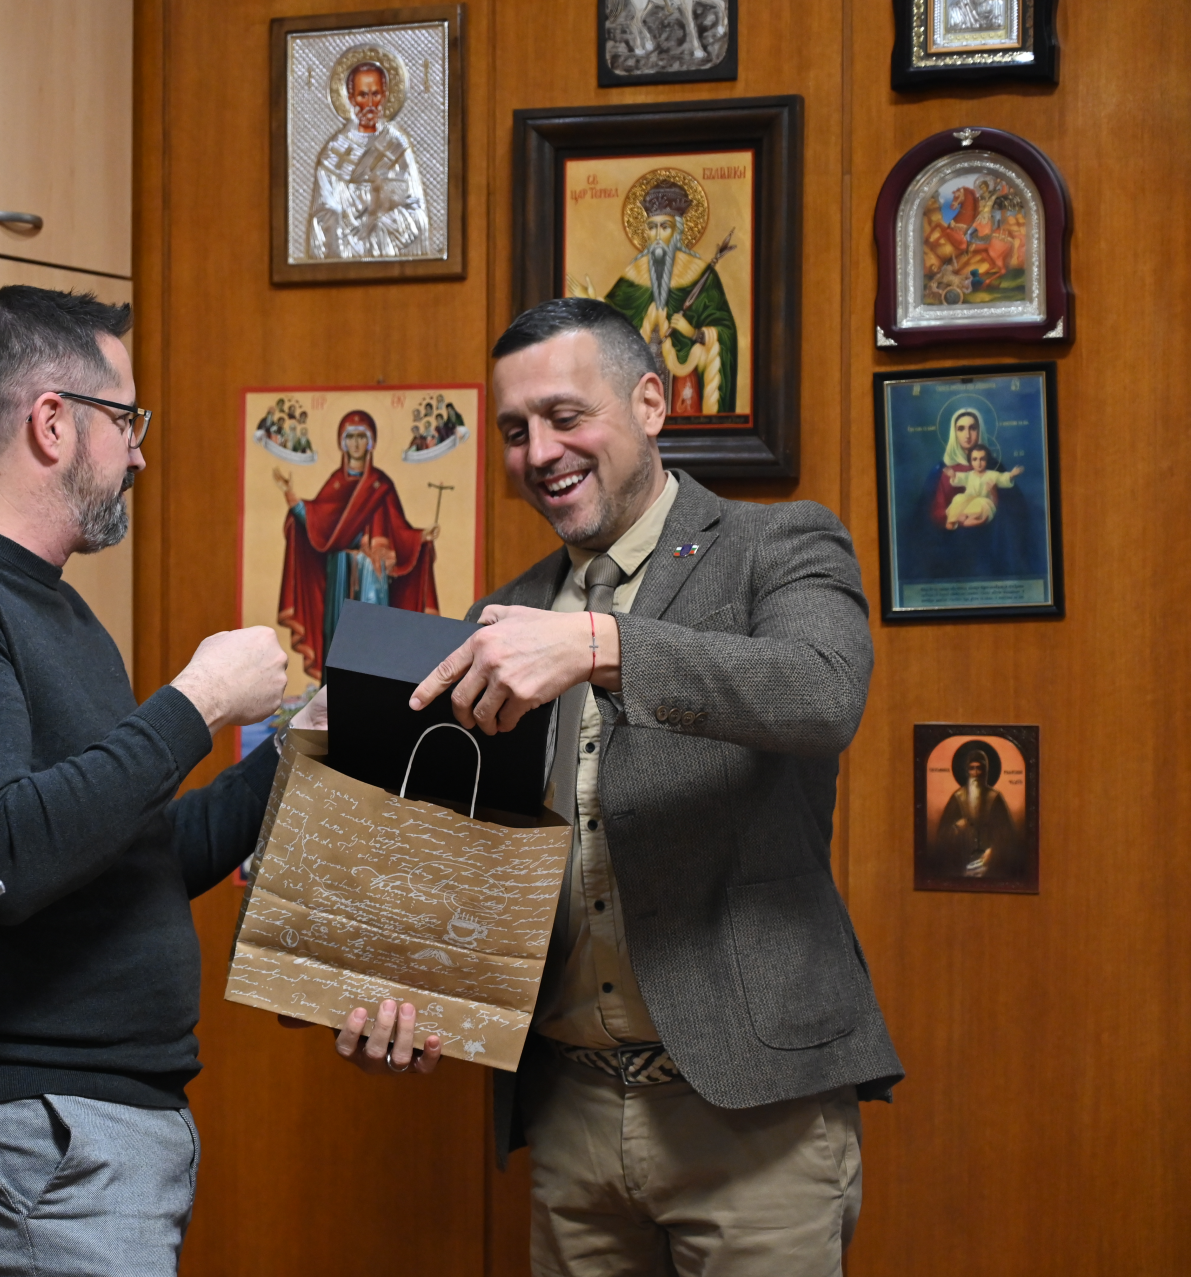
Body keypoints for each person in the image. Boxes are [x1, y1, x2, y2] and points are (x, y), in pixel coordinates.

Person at [303, 297, 903, 1276]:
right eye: (515, 430)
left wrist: (600, 644)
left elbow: (822, 691)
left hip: (756, 1118)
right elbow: (458, 862)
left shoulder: (780, 545)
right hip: (572, 1116)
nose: (540, 451)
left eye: (565, 415)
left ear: (651, 404)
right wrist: (397, 997)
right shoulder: (500, 616)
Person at [0, 285, 288, 1277]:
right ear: (53, 423)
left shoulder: (61, 610)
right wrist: (199, 702)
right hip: (39, 1121)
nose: (137, 454)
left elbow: (137, 858)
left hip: (90, 1123)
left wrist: (296, 753)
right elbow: (6, 852)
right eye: (126, 420)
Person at [273, 410, 441, 679]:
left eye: (361, 437)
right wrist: (290, 496)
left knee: (375, 632)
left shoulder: (381, 485)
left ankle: (375, 692)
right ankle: (337, 694)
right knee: (339, 633)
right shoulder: (335, 484)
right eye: (350, 437)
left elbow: (398, 530)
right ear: (342, 442)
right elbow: (317, 526)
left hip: (372, 572)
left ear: (370, 442)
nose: (355, 443)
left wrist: (421, 536)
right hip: (340, 569)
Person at [577, 179, 739, 416]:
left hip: (684, 383)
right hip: (639, 384)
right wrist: (594, 303)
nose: (658, 235)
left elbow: (725, 331)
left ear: (678, 231)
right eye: (652, 227)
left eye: (665, 227)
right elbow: (616, 318)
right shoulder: (635, 273)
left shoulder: (701, 275)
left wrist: (693, 333)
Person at [306, 59, 429, 260]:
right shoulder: (334, 152)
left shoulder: (396, 146)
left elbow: (416, 209)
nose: (370, 104)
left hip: (389, 249)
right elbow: (322, 215)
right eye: (363, 95)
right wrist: (348, 216)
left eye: (376, 94)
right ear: (351, 99)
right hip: (345, 252)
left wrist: (382, 215)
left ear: (385, 96)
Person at [933, 742, 1019, 878]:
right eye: (972, 768)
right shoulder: (957, 798)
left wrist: (993, 851)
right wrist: (956, 828)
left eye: (979, 768)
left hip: (990, 862)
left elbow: (1007, 835)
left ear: (986, 771)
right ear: (967, 771)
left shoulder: (995, 798)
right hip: (962, 860)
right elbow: (942, 836)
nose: (976, 773)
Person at [944, 443, 1022, 528]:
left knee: (982, 504)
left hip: (984, 503)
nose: (979, 463)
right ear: (971, 461)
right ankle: (952, 521)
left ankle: (969, 519)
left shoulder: (992, 475)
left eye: (982, 459)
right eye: (975, 459)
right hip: (969, 502)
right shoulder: (969, 475)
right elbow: (959, 478)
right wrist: (953, 475)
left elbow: (1003, 478)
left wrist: (1012, 475)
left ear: (987, 460)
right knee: (958, 498)